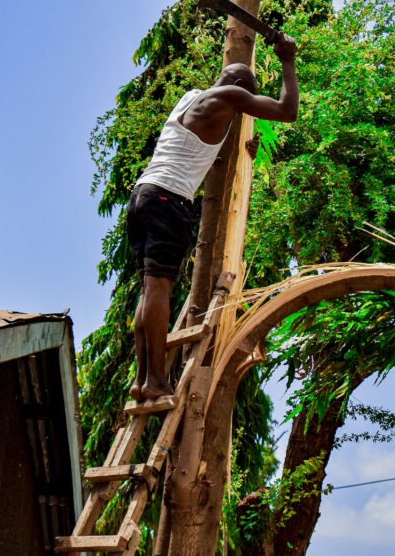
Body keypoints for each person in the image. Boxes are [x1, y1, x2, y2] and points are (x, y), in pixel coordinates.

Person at [126, 33, 299, 401]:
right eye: (247, 97)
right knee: (159, 288)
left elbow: (213, 140)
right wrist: (287, 58)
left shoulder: (190, 98)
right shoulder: (231, 96)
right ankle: (155, 378)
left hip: (143, 194)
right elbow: (287, 111)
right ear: (239, 88)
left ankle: (144, 379)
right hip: (167, 198)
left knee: (148, 288)